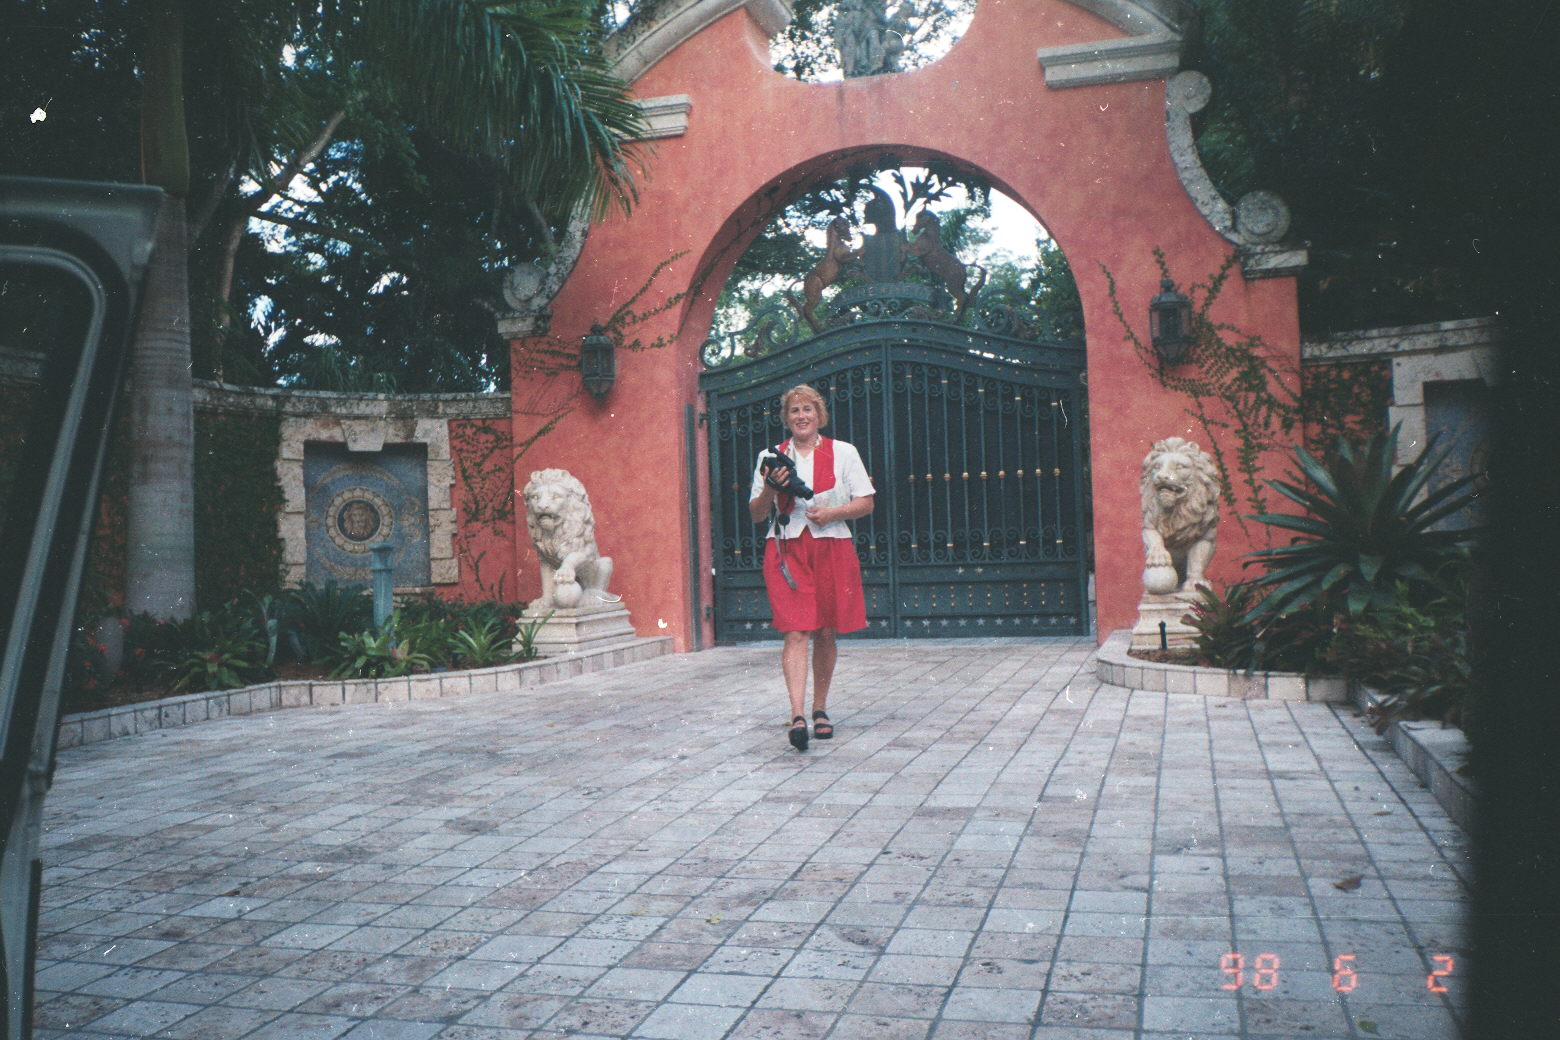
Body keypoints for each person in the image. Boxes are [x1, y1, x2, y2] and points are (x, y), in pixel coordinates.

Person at [749, 384, 875, 751]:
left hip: (832, 546)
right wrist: (771, 489)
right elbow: (756, 514)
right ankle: (797, 715)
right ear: (786, 418)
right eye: (794, 410)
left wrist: (833, 513)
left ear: (819, 415)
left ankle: (820, 708)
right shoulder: (770, 456)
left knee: (825, 630)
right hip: (786, 548)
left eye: (808, 409)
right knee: (795, 630)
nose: (801, 416)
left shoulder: (844, 452)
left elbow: (866, 502)